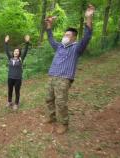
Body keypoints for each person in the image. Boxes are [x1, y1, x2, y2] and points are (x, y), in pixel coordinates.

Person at [44, 4, 95, 134]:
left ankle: (63, 124)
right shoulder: (59, 46)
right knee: (49, 98)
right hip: (52, 76)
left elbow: (87, 36)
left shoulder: (77, 48)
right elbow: (50, 38)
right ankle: (51, 117)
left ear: (73, 37)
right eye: (64, 34)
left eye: (67, 35)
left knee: (61, 102)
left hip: (64, 79)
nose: (64, 36)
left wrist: (89, 18)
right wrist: (49, 25)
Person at [4, 35, 30, 110]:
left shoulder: (21, 59)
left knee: (17, 91)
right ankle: (9, 101)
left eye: (17, 51)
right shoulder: (10, 58)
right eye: (15, 51)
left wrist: (27, 43)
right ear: (13, 52)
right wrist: (6, 43)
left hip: (18, 78)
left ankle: (16, 103)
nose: (16, 52)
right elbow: (6, 50)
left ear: (19, 53)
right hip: (10, 77)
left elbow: (25, 51)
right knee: (10, 90)